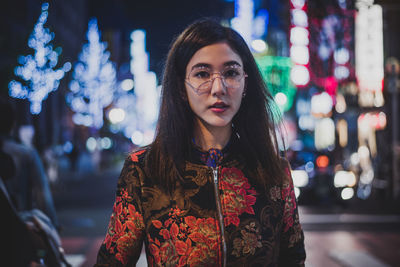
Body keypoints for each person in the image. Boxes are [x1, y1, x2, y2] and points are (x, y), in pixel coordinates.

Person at [95, 19, 306, 266]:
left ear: (246, 82)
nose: (218, 88)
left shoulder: (273, 171)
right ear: (182, 87)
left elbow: (293, 259)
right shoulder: (145, 169)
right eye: (202, 74)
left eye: (231, 73)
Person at [0, 97, 59, 229]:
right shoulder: (26, 154)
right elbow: (42, 192)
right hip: (18, 224)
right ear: (12, 124)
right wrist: (52, 225)